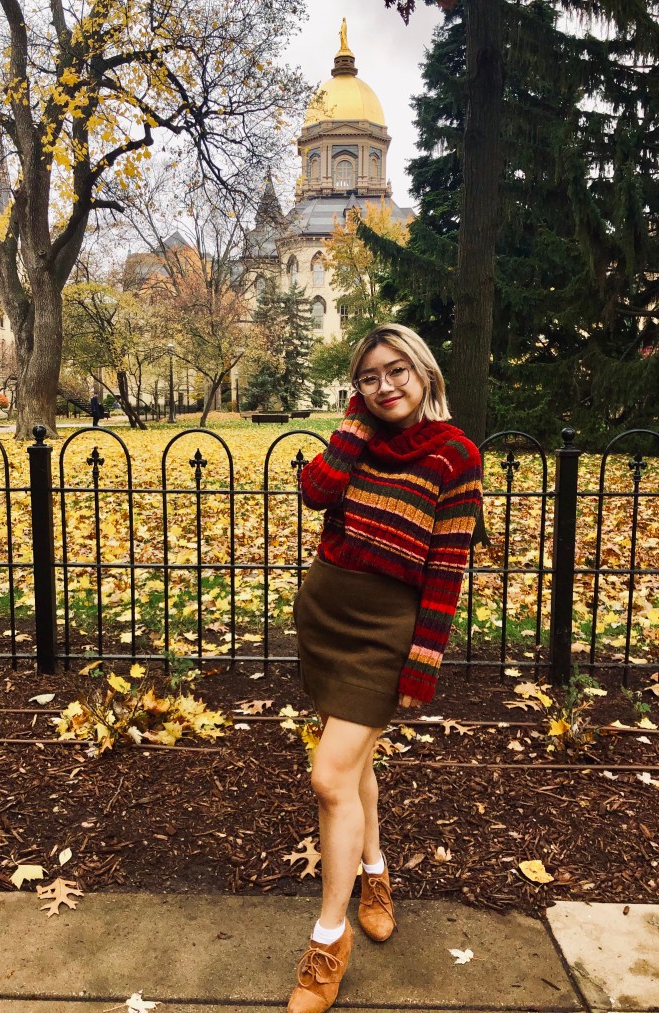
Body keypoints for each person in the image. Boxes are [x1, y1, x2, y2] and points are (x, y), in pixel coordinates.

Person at [288, 323, 483, 1013]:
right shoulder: (358, 438)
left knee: (329, 775)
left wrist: (423, 662)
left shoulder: (456, 456)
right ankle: (374, 871)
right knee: (353, 769)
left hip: (384, 633)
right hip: (325, 614)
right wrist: (352, 427)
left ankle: (328, 940)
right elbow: (316, 491)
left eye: (397, 370)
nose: (385, 386)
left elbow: (447, 567)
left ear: (425, 372)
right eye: (369, 377)